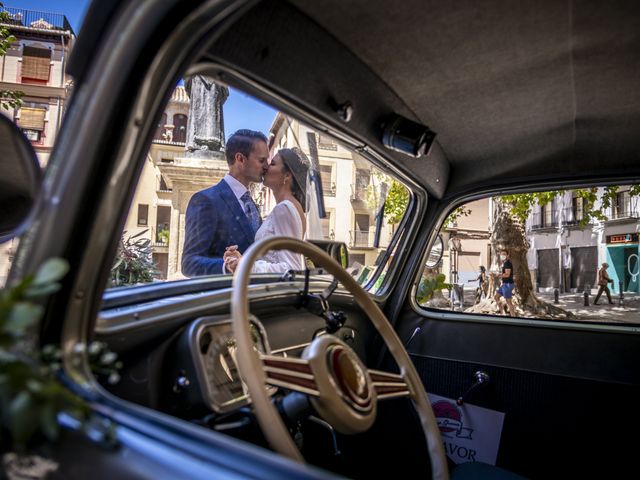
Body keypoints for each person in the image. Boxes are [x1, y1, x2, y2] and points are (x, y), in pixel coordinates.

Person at [181, 129, 269, 277]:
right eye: (261, 160)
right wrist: (227, 267)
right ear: (240, 159)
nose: (267, 166)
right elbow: (189, 263)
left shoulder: (251, 204)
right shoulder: (206, 200)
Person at [224, 148, 310, 273]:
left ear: (287, 176)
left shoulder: (284, 208)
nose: (266, 167)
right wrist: (242, 259)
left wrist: (245, 265)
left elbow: (291, 268)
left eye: (273, 164)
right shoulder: (293, 207)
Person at [494, 249, 516, 316]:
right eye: (501, 254)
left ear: (507, 255)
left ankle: (513, 317)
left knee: (508, 302)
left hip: (508, 284)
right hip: (504, 285)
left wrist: (498, 275)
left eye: (504, 254)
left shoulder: (507, 263)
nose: (502, 255)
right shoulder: (505, 263)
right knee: (496, 297)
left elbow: (507, 274)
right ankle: (503, 313)